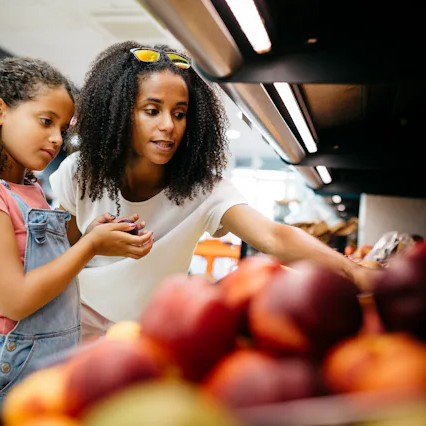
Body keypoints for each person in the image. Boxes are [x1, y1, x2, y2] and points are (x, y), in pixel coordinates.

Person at [50, 41, 374, 342]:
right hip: (70, 327)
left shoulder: (204, 188)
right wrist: (92, 243)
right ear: (118, 114)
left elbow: (275, 237)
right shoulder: (79, 173)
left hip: (148, 336)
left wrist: (355, 273)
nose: (169, 125)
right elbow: (55, 260)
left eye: (179, 113)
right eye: (152, 110)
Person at [0, 57, 153, 417]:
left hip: (44, 366)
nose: (57, 139)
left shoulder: (30, 187)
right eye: (45, 121)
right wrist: (89, 247)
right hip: (1, 374)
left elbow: (47, 260)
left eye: (63, 129)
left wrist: (90, 230)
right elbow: (15, 300)